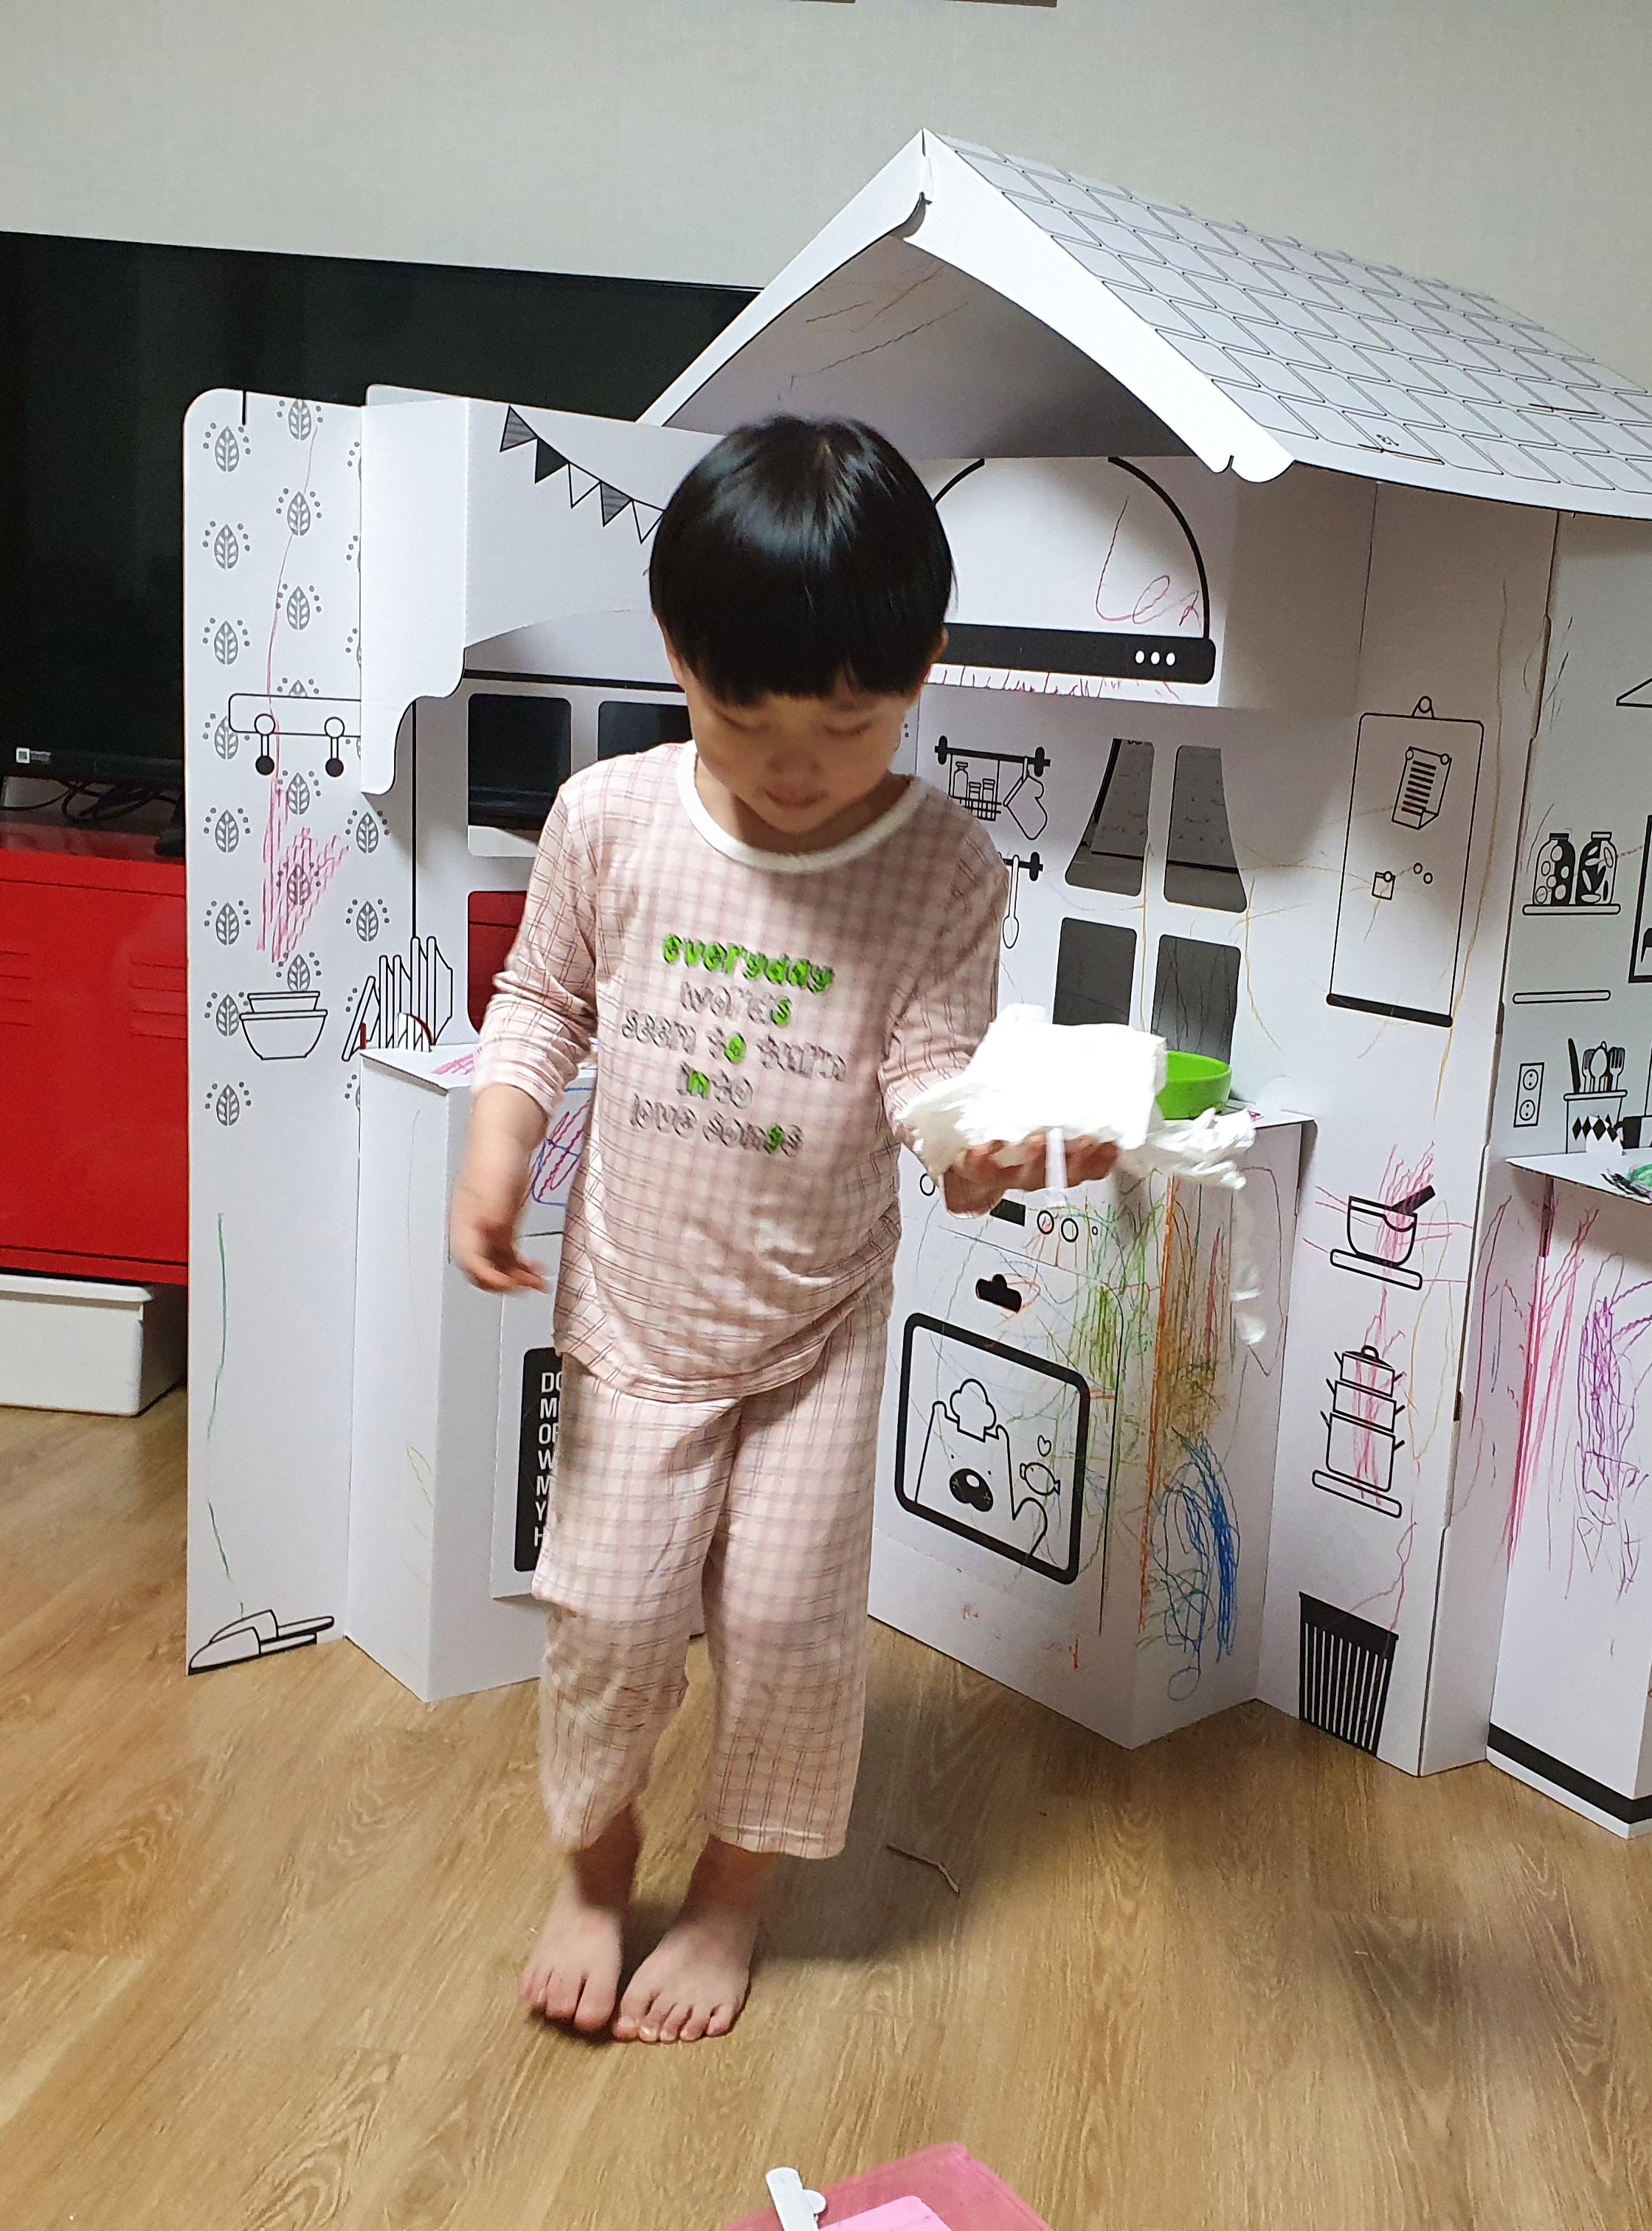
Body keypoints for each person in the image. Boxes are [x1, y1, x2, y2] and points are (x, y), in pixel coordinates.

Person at [453, 416, 1114, 2044]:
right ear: (677, 656)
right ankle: (597, 1869)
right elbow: (541, 1001)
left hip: (817, 1336)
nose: (799, 765)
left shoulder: (944, 865)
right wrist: (496, 1148)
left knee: (788, 1636)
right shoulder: (608, 817)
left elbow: (935, 1089)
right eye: (745, 719)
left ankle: (734, 1896)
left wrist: (997, 1156)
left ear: (923, 672)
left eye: (851, 723)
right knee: (606, 1622)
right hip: (632, 1320)